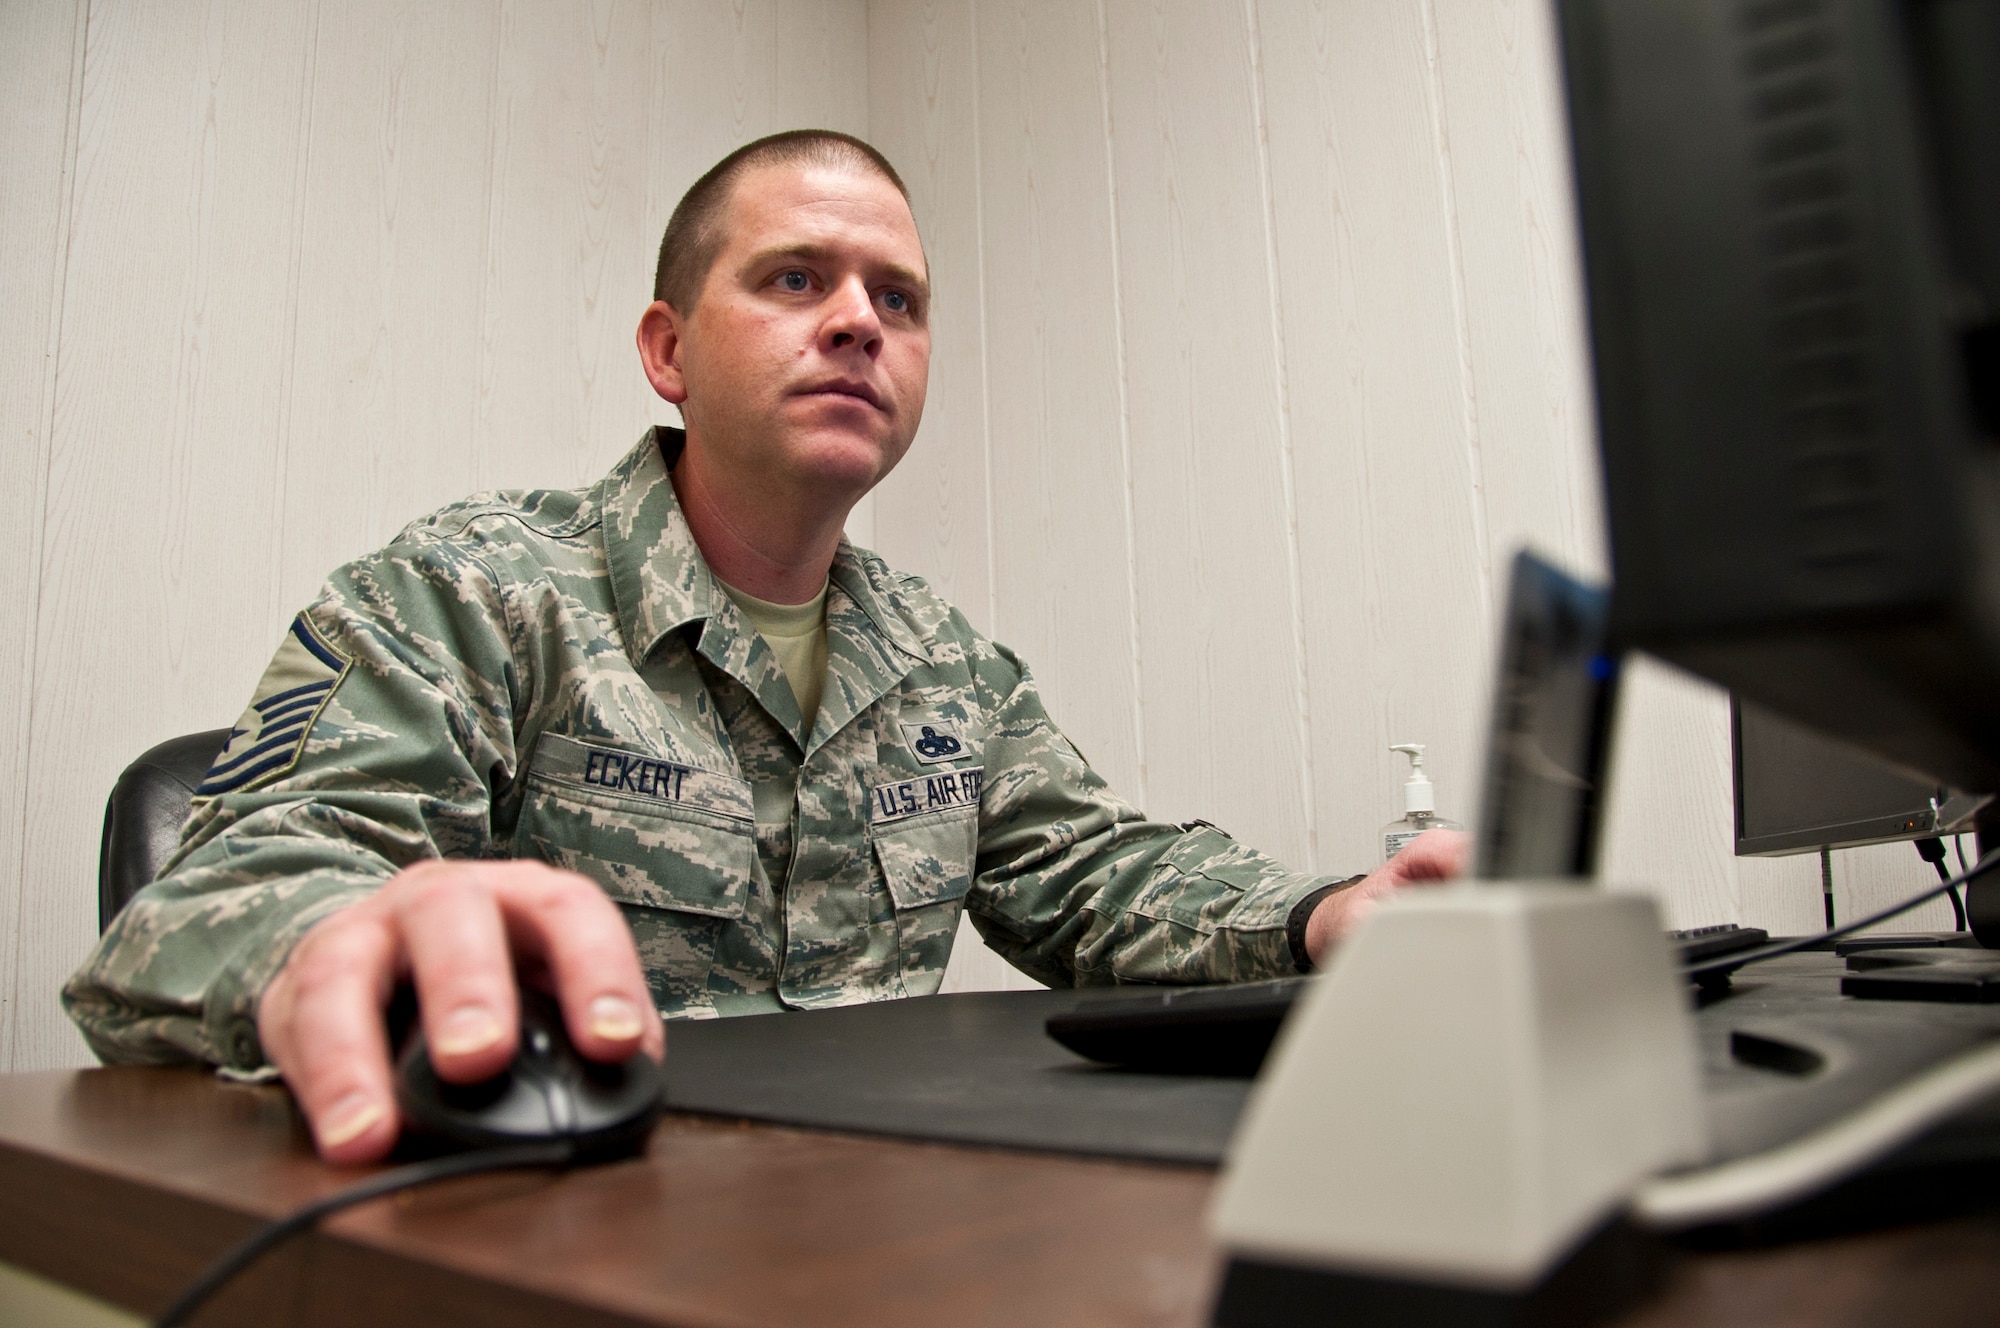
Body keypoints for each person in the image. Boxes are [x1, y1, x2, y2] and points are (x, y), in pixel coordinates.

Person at [64, 131, 1468, 1164]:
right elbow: (204, 902)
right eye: (797, 279)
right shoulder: (474, 593)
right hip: (548, 1221)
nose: (860, 321)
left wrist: (1323, 916)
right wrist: (329, 941)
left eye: (898, 301)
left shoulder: (944, 664)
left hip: (870, 1225)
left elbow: (1095, 878)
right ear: (668, 350)